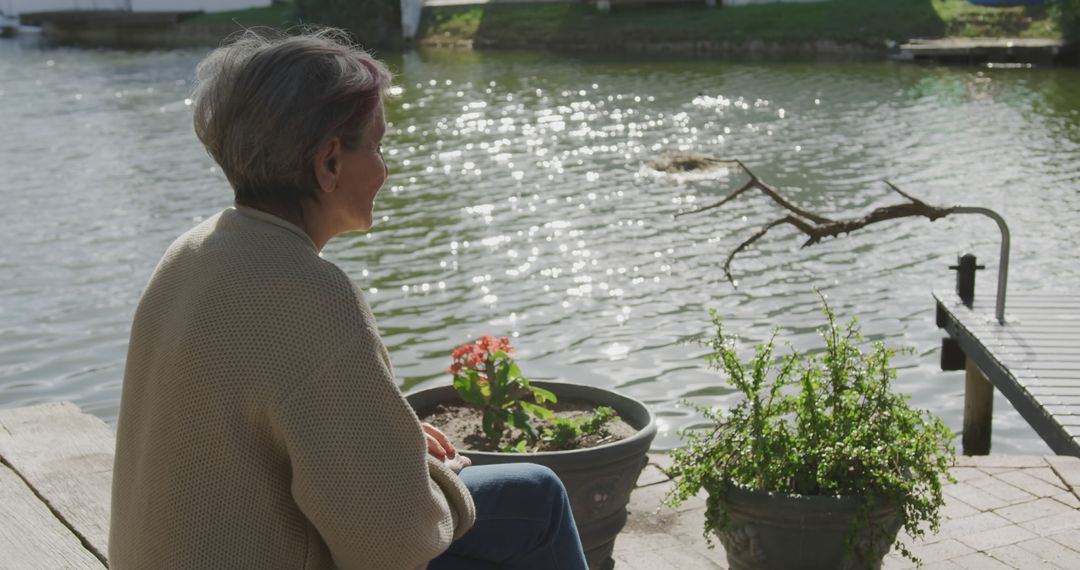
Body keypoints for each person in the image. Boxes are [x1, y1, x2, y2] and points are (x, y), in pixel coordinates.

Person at [108, 27, 588, 570]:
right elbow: (395, 546)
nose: (386, 168)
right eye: (379, 146)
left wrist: (394, 441)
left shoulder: (193, 251)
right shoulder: (312, 297)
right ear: (329, 162)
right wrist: (434, 479)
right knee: (537, 497)